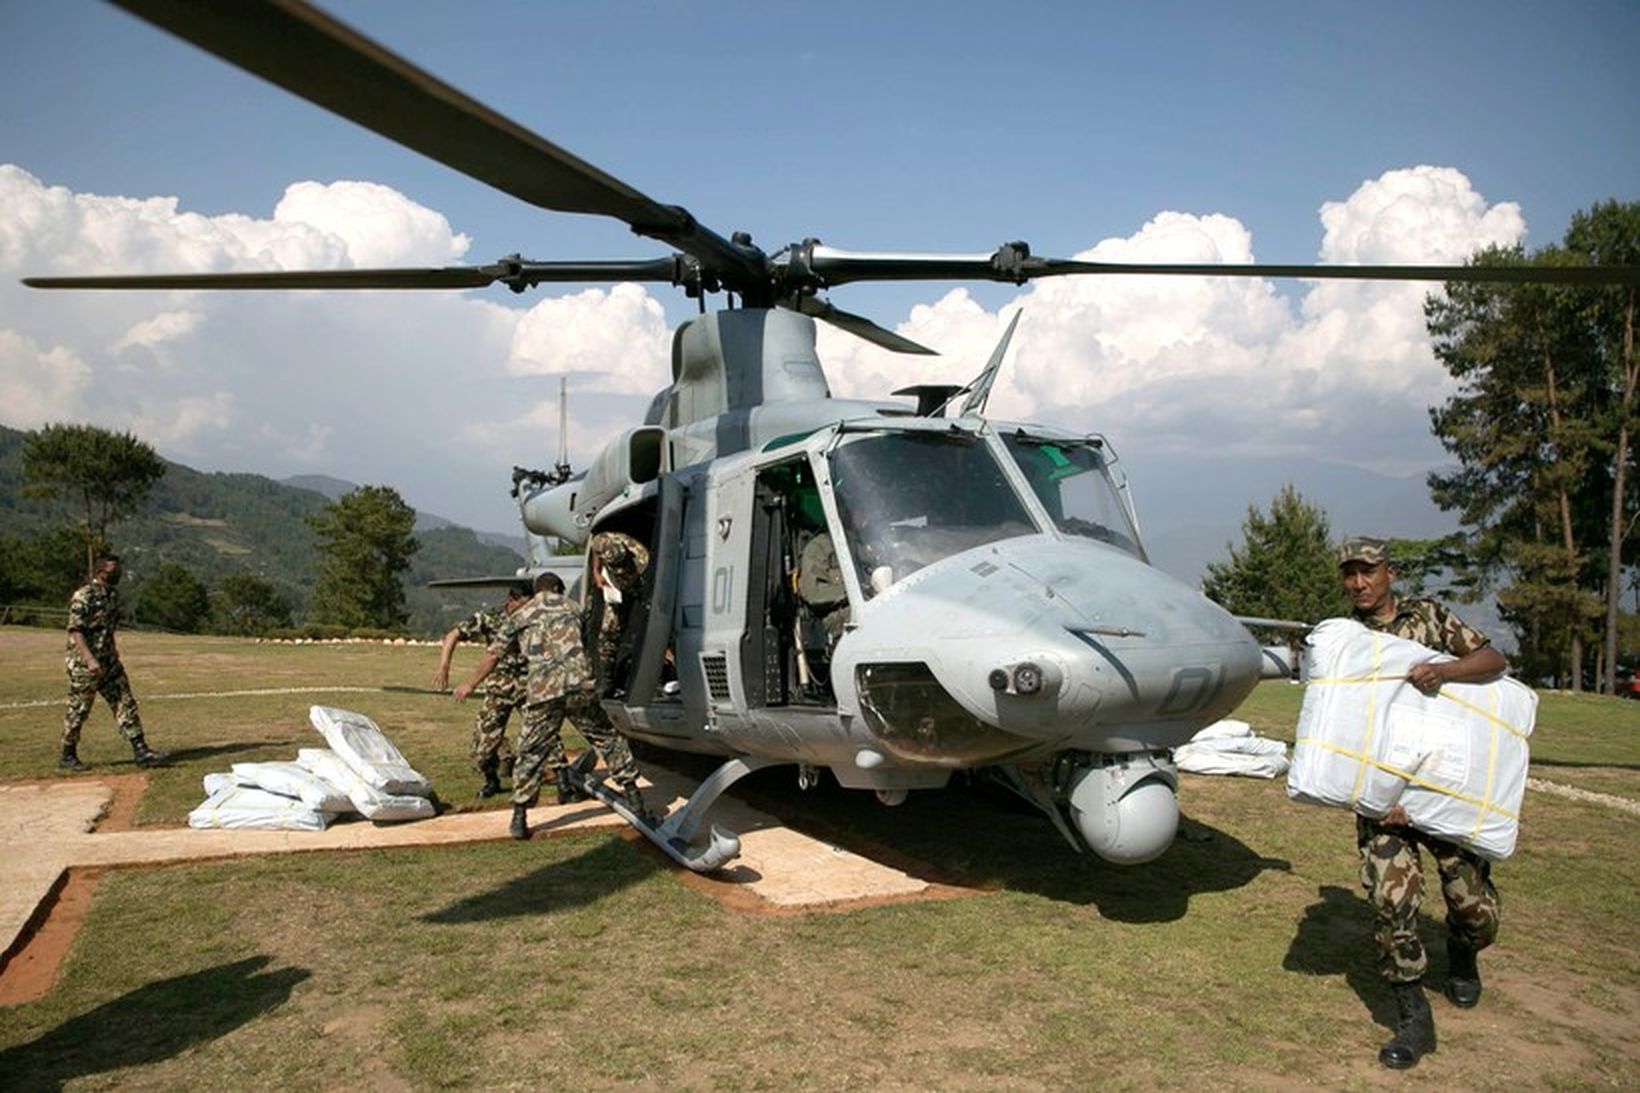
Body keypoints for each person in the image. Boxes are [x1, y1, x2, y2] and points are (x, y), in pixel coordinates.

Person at [1337, 536, 1508, 1070]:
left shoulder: (1429, 619)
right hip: (1384, 799)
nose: (1359, 584)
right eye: (1350, 574)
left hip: (1442, 786)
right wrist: (1370, 795)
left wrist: (1444, 671)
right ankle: (1413, 1016)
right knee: (1392, 901)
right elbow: (1339, 724)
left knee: (1475, 909)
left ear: (1389, 573)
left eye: (1368, 572)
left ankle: (1462, 951)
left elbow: (1493, 658)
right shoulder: (1345, 639)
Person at [455, 573, 653, 840]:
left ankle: (520, 816)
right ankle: (635, 797)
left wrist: (470, 683)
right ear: (558, 588)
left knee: (531, 752)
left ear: (537, 592)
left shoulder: (521, 615)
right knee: (607, 739)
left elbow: (493, 655)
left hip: (542, 692)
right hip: (578, 687)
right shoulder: (574, 608)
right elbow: (593, 642)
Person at [60, 554, 164, 771]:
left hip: (109, 661)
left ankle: (140, 749)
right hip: (84, 664)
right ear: (100, 572)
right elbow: (75, 630)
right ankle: (67, 754)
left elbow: (108, 629)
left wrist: (112, 655)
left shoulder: (112, 596)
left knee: (125, 702)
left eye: (118, 570)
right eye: (112, 571)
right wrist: (89, 660)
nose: (117, 574)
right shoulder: (84, 595)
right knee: (78, 709)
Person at [432, 584, 530, 798]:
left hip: (528, 687)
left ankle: (564, 780)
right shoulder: (489, 618)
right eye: (523, 604)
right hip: (498, 690)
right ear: (511, 601)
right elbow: (452, 635)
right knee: (483, 746)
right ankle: (492, 780)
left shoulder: (535, 617)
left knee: (544, 736)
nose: (526, 609)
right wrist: (444, 667)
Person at [586, 529, 649, 697]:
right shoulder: (601, 542)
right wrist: (596, 572)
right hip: (616, 591)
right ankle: (606, 680)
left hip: (638, 587)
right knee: (608, 632)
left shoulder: (642, 560)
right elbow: (596, 552)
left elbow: (644, 587)